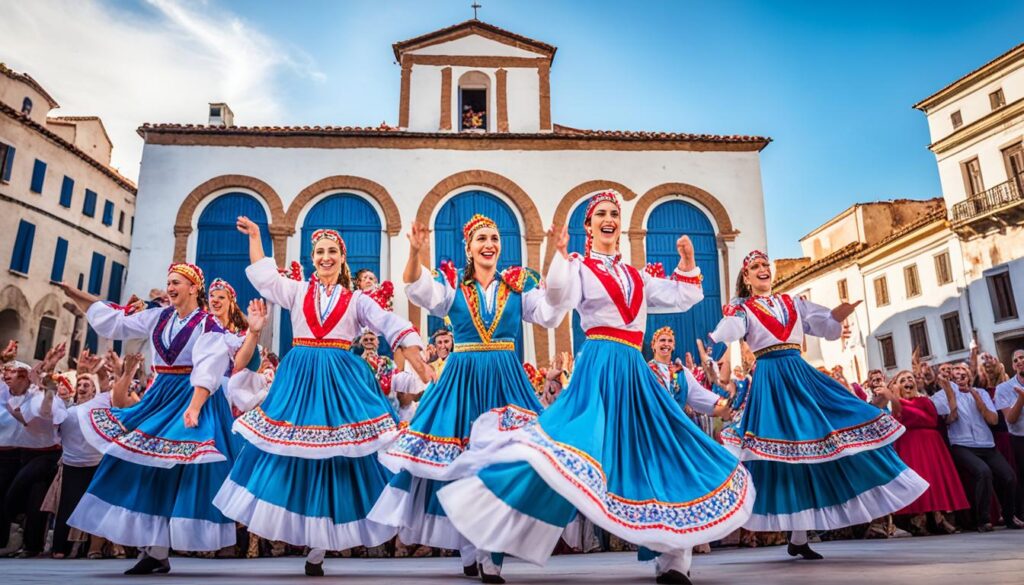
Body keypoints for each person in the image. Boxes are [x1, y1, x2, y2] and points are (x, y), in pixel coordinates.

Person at [438, 191, 752, 585]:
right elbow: (557, 299)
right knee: (557, 454)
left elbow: (683, 295)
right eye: (600, 214)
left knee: (661, 450)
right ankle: (490, 546)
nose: (609, 219)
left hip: (634, 371)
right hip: (598, 367)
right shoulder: (579, 267)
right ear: (588, 226)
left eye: (614, 214)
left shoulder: (638, 276)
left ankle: (673, 559)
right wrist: (558, 257)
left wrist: (688, 264)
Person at [214, 218, 431, 577]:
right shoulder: (297, 292)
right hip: (299, 380)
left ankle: (319, 545)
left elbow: (389, 322)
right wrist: (256, 238)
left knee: (337, 458)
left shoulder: (357, 300)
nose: (326, 257)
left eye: (332, 252)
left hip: (339, 383)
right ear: (312, 258)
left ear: (342, 259)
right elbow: (266, 279)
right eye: (320, 252)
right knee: (294, 456)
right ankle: (307, 536)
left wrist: (416, 357)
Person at [369, 215, 569, 579]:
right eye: (481, 238)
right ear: (469, 248)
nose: (489, 243)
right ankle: (468, 547)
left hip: (506, 383)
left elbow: (549, 313)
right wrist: (414, 252)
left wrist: (559, 266)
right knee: (462, 464)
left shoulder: (518, 287)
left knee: (505, 461)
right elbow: (417, 287)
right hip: (462, 383)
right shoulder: (452, 288)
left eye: (494, 237)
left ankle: (489, 552)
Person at [709, 250, 927, 560]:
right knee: (787, 451)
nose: (762, 270)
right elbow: (728, 331)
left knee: (823, 437)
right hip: (771, 378)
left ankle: (799, 537)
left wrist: (837, 316)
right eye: (755, 267)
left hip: (799, 374)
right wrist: (727, 322)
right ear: (746, 277)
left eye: (765, 266)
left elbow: (822, 324)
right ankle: (790, 533)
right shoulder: (744, 309)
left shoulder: (792, 302)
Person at [61, 263, 236, 575]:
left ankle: (160, 548)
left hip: (190, 394)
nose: (170, 288)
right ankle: (155, 550)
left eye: (177, 283)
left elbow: (209, 368)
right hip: (160, 396)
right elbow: (115, 320)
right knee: (137, 462)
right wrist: (76, 295)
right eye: (168, 282)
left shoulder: (207, 324)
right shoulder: (159, 315)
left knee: (177, 472)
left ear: (194, 287)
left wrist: (195, 407)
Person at [934, 363, 1021, 531]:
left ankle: (1010, 516)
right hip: (961, 444)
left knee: (1009, 476)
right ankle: (984, 519)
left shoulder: (981, 393)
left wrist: (976, 397)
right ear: (951, 377)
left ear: (970, 375)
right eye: (956, 372)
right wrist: (951, 395)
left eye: (964, 372)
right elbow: (950, 419)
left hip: (986, 444)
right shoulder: (941, 395)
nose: (960, 375)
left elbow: (993, 420)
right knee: (983, 472)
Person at [882, 371, 967, 535]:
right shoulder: (896, 404)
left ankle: (938, 517)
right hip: (909, 443)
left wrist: (903, 405)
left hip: (931, 443)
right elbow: (898, 417)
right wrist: (896, 401)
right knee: (918, 479)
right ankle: (918, 519)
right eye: (903, 380)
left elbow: (931, 420)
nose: (908, 382)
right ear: (897, 385)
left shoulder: (925, 400)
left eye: (910, 379)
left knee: (934, 479)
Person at [2, 348, 67, 558]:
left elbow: (45, 412)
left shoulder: (38, 395)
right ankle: (29, 545)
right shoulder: (8, 395)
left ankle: (29, 544)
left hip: (48, 455)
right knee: (33, 499)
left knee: (17, 495)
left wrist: (47, 388)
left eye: (10, 373)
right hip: (23, 454)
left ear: (24, 376)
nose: (6, 376)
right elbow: (22, 417)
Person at [995, 349, 1024, 522]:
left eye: (1022, 357)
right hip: (1019, 438)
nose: (1020, 361)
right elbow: (1011, 419)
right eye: (1016, 360)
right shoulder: (1004, 388)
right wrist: (1021, 398)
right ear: (1013, 366)